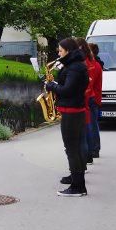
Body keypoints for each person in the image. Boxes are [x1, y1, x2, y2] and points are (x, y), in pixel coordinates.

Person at [46, 38, 90, 197]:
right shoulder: (75, 65)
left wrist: (52, 86)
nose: (58, 53)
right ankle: (77, 181)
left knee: (72, 149)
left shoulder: (75, 67)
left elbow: (68, 90)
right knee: (74, 148)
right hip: (74, 110)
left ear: (68, 51)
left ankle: (78, 187)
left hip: (72, 112)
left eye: (60, 51)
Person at [75, 38, 98, 164]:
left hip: (85, 96)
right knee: (90, 125)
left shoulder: (82, 62)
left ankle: (87, 154)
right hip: (91, 95)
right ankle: (92, 151)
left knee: (85, 127)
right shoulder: (92, 60)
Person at [87, 42, 103, 159]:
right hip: (95, 97)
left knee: (91, 124)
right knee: (93, 124)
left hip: (91, 98)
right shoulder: (96, 64)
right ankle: (94, 149)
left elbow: (89, 83)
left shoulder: (92, 65)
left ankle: (94, 149)